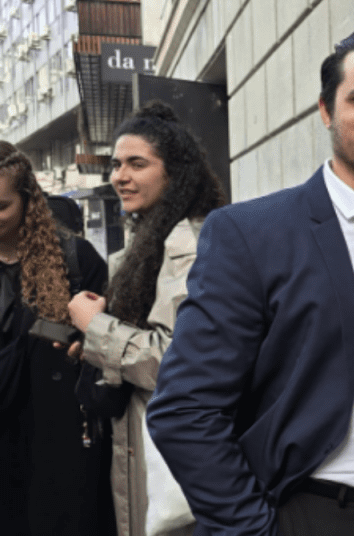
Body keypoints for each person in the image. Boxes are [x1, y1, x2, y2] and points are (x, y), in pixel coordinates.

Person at [147, 24, 354, 536]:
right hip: (318, 515)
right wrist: (255, 529)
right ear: (326, 110)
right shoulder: (253, 235)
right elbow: (185, 410)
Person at [66, 101, 227, 536]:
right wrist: (96, 350)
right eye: (117, 164)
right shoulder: (149, 240)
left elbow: (178, 361)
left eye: (138, 164)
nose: (120, 176)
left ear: (175, 173)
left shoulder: (187, 245)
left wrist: (94, 325)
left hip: (172, 457)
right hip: (147, 447)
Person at [0, 141, 113, 535]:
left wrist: (88, 345)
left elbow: (108, 348)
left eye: (1, 206)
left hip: (59, 449)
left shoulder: (76, 260)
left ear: (29, 200)